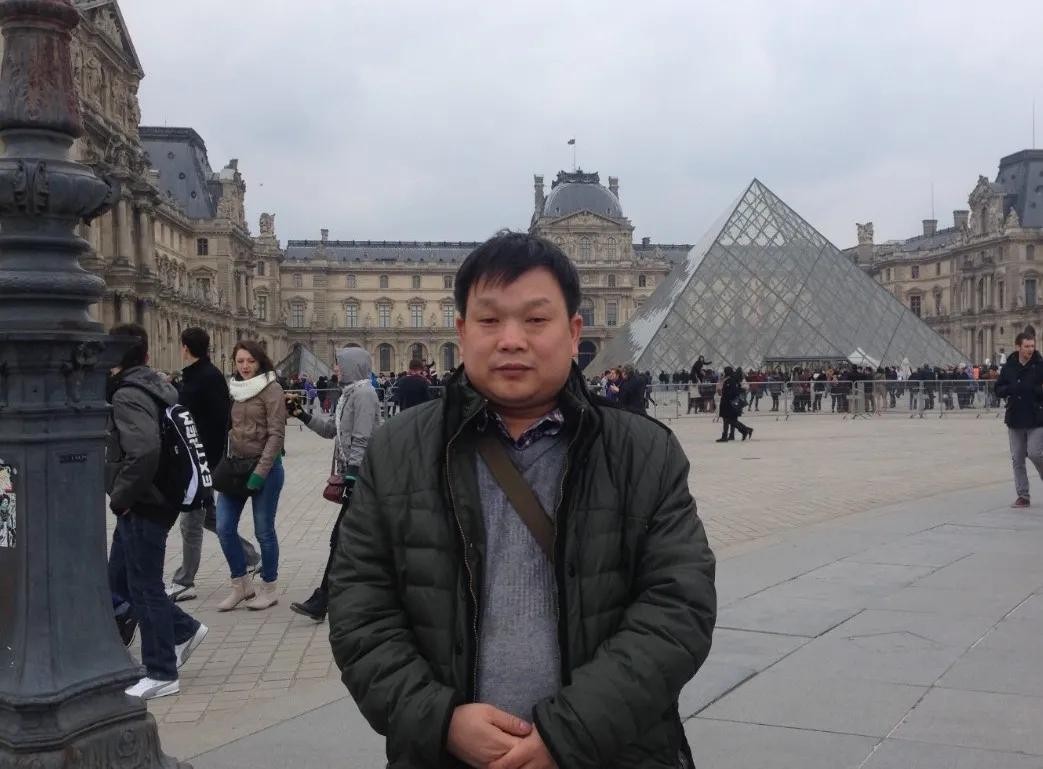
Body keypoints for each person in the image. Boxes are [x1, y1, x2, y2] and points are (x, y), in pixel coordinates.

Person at [326, 232, 716, 769]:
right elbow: (359, 608)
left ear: (573, 332)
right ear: (461, 331)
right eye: (489, 320)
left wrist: (570, 734)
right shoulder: (396, 450)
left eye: (535, 319)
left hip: (609, 752)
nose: (511, 340)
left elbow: (678, 610)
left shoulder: (645, 452)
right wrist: (440, 720)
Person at [104, 323, 208, 700]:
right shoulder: (154, 385)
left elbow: (144, 450)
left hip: (145, 499)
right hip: (157, 494)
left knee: (144, 585)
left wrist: (121, 495)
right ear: (146, 354)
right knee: (130, 580)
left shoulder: (126, 394)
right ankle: (183, 630)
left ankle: (162, 670)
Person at [288, 347, 383, 621]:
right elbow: (331, 431)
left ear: (353, 365)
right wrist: (301, 415)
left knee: (341, 538)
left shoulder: (364, 395)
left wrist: (351, 478)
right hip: (359, 476)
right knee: (348, 539)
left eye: (339, 364)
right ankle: (331, 598)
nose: (336, 368)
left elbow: (362, 439)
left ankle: (325, 599)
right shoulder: (348, 394)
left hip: (365, 477)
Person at [167, 328, 259, 602]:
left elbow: (218, 423)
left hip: (200, 460)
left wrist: (206, 460)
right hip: (197, 458)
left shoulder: (206, 377)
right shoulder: (201, 376)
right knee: (209, 518)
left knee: (190, 522)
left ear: (185, 348)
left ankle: (185, 581)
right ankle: (251, 557)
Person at [214, 341, 287, 611]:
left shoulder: (272, 388)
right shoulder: (235, 388)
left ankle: (269, 587)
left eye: (250, 361)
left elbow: (276, 434)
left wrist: (260, 472)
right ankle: (241, 585)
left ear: (260, 361)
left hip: (265, 469)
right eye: (240, 361)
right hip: (236, 467)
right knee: (223, 527)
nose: (245, 366)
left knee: (263, 531)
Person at [995, 331, 1043, 507]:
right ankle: (1023, 495)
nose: (1030, 349)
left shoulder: (1040, 366)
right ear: (1018, 347)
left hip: (1036, 417)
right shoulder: (1009, 367)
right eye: (1027, 346)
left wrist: (1036, 390)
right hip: (1015, 417)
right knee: (1017, 458)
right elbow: (998, 388)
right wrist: (1010, 389)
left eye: (1032, 346)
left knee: (1036, 453)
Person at [717, 366, 752, 442]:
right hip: (730, 403)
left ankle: (744, 430)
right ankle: (743, 430)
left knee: (729, 420)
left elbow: (731, 392)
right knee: (730, 420)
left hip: (728, 403)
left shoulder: (730, 381)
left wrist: (725, 395)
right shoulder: (731, 380)